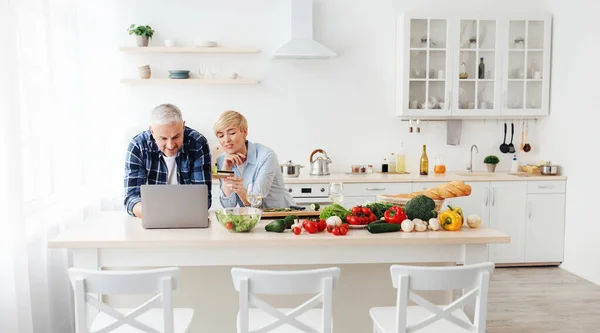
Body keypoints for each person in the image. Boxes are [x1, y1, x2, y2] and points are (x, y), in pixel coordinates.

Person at [124, 104, 212, 217]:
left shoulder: (198, 144)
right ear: (152, 131)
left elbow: (203, 200)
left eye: (176, 137)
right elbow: (131, 198)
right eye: (163, 138)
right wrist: (156, 213)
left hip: (187, 219)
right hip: (153, 216)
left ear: (183, 126)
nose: (170, 145)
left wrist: (169, 213)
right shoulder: (138, 146)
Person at [214, 110, 295, 208]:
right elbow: (227, 205)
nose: (226, 140)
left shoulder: (266, 155)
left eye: (232, 133)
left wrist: (241, 190)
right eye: (221, 136)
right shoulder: (222, 160)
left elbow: (256, 200)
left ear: (245, 132)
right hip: (252, 217)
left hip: (281, 215)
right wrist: (225, 170)